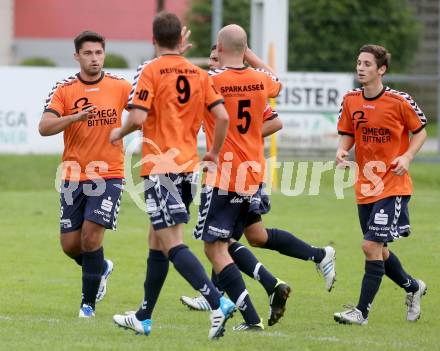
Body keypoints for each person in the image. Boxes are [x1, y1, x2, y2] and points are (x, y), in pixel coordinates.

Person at [181, 45, 337, 329]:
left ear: (226, 55)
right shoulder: (251, 83)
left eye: (216, 57)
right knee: (254, 235)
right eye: (211, 59)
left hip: (228, 176)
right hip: (250, 174)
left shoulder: (216, 82)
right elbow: (274, 96)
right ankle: (314, 258)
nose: (212, 63)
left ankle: (237, 307)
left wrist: (236, 138)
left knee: (218, 244)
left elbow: (274, 121)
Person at [109, 12, 235, 340]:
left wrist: (117, 134)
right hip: (187, 168)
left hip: (160, 169)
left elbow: (137, 118)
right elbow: (222, 117)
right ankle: (144, 316)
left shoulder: (149, 70)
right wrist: (213, 153)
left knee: (171, 242)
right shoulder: (199, 73)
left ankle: (217, 302)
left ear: (152, 40)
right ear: (181, 40)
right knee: (156, 239)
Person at [191, 24, 283, 332]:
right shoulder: (259, 80)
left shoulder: (210, 80)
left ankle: (250, 318)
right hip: (253, 174)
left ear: (218, 47)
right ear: (244, 49)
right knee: (227, 242)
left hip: (224, 176)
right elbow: (277, 80)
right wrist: (253, 57)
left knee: (213, 248)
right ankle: (268, 290)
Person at [39, 31, 131, 318]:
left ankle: (87, 306)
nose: (94, 58)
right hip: (73, 175)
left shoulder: (120, 86)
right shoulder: (64, 89)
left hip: (109, 174)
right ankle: (100, 268)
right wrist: (74, 118)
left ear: (104, 54)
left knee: (91, 238)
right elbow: (44, 127)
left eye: (98, 53)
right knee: (70, 245)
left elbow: (144, 113)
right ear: (77, 56)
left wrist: (136, 128)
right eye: (88, 53)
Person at [334, 44, 428, 325]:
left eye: (367, 64)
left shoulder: (399, 101)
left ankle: (361, 312)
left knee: (369, 246)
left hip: (393, 185)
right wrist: (342, 150)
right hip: (365, 186)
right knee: (380, 250)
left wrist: (408, 156)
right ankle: (413, 287)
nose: (360, 68)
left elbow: (421, 132)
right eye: (358, 63)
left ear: (381, 70)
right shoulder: (351, 100)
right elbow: (348, 132)